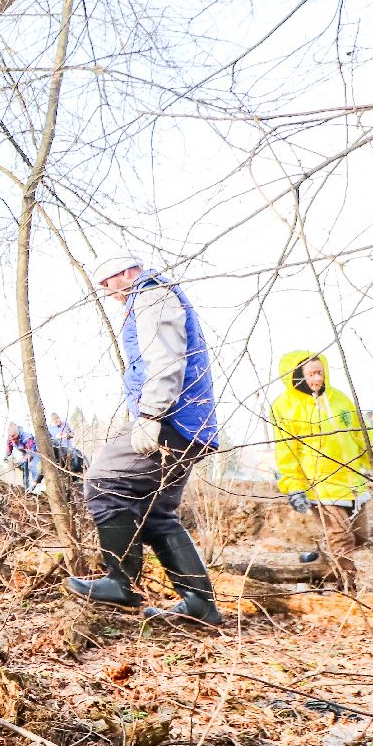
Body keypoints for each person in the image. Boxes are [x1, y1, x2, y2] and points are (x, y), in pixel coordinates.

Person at [65, 255, 224, 626]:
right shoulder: (154, 296)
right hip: (190, 424)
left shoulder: (151, 295)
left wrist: (150, 415)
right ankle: (201, 606)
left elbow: (165, 359)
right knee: (156, 513)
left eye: (107, 284)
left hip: (172, 420)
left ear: (123, 273)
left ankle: (120, 582)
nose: (108, 293)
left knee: (104, 481)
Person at [267, 352, 373, 592]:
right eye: (311, 374)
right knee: (341, 538)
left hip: (352, 482)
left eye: (320, 372)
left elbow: (362, 434)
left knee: (360, 537)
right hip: (320, 484)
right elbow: (286, 450)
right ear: (297, 378)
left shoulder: (340, 399)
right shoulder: (284, 406)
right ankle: (346, 587)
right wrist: (293, 485)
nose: (317, 378)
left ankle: (317, 564)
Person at [6, 423, 39, 491]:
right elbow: (9, 449)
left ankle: (36, 486)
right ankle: (26, 487)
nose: (14, 441)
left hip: (35, 451)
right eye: (12, 439)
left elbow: (31, 452)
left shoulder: (27, 437)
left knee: (31, 465)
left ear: (18, 434)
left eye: (15, 439)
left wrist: (23, 460)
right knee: (24, 467)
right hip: (25, 454)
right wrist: (7, 457)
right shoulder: (10, 439)